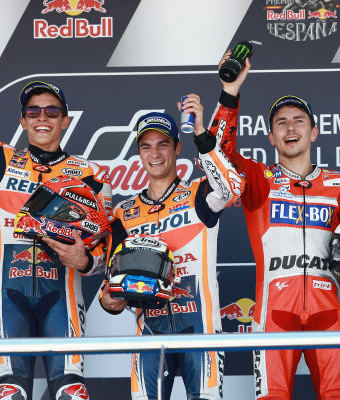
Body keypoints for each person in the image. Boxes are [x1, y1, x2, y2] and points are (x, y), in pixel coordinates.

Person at [0, 10, 115, 400]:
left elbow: (105, 249)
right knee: (10, 395)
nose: (42, 117)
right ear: (23, 119)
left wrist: (85, 261)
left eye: (51, 111)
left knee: (71, 394)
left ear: (65, 121)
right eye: (33, 111)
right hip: (8, 300)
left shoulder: (91, 173)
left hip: (62, 299)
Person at [211, 53, 340, 399]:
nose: (291, 128)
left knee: (337, 396)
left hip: (329, 309)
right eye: (281, 123)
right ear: (271, 138)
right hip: (273, 311)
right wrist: (230, 91)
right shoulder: (258, 179)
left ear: (314, 132)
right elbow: (216, 152)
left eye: (299, 120)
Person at [100, 95, 244, 400]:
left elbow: (231, 187)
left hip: (200, 328)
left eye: (163, 144)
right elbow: (110, 289)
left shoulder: (198, 194)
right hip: (150, 334)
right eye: (146, 146)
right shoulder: (123, 214)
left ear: (177, 147)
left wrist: (202, 134)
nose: (155, 153)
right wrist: (108, 301)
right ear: (138, 152)